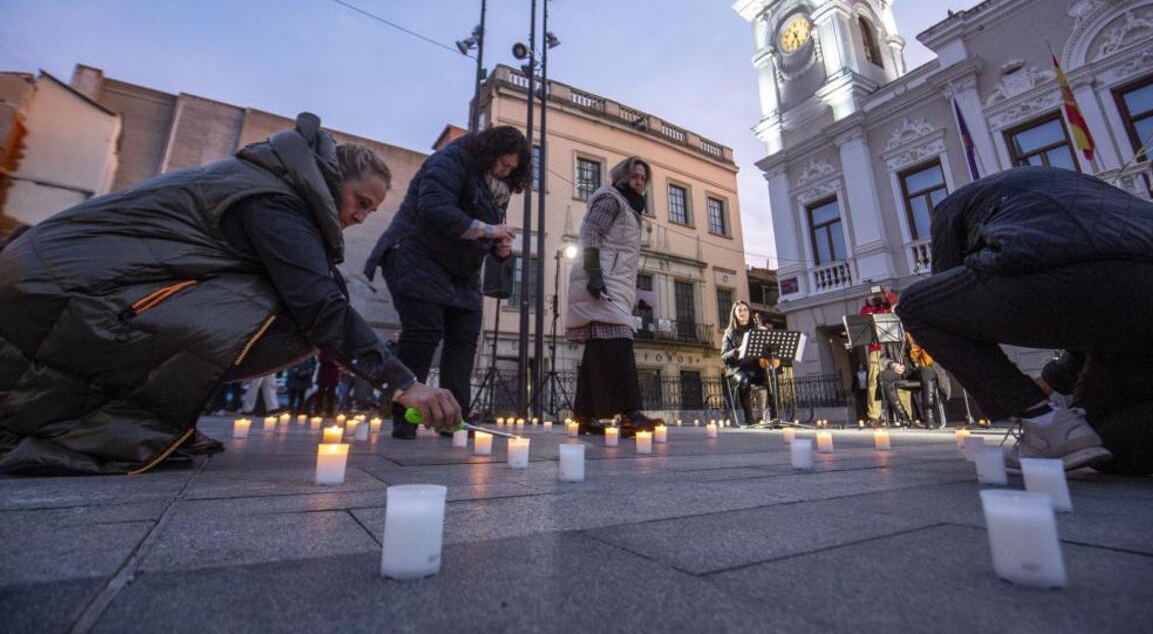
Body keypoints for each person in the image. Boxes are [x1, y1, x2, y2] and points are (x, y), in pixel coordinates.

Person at [0, 113, 459, 475]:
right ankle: (114, 422)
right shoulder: (273, 201)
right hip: (48, 293)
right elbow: (318, 303)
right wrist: (405, 384)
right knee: (295, 315)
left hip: (53, 285)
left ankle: (153, 417)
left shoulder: (269, 185)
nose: (362, 217)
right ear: (330, 178)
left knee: (298, 303)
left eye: (372, 211)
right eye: (360, 202)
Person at [896, 166, 1153, 473]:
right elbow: (1111, 304)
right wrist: (1053, 381)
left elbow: (947, 297)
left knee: (916, 305)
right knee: (1109, 443)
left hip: (1072, 267)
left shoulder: (951, 206)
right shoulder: (1074, 186)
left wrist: (1013, 392)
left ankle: (1045, 424)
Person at [365, 125, 528, 439]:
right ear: (489, 150)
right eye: (501, 163)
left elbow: (486, 230)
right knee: (423, 333)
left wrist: (501, 247)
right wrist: (488, 230)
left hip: (460, 270)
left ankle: (454, 419)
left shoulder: (497, 190)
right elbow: (434, 209)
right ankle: (405, 419)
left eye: (510, 169)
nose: (503, 171)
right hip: (415, 252)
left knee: (465, 337)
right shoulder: (453, 159)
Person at [566, 156, 662, 437]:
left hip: (615, 282)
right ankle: (630, 413)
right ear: (622, 176)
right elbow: (590, 233)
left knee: (599, 346)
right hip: (603, 280)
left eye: (644, 178)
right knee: (619, 340)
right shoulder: (611, 199)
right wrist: (595, 272)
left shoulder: (630, 207)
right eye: (635, 176)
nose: (640, 182)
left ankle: (583, 415)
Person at [721, 300, 775, 425]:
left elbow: (767, 351)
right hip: (737, 371)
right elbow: (724, 356)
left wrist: (767, 337)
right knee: (744, 380)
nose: (743, 312)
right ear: (734, 313)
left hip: (756, 369)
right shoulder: (729, 333)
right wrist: (736, 351)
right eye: (739, 310)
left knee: (772, 378)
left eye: (745, 310)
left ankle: (774, 417)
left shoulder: (756, 329)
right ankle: (749, 419)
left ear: (749, 312)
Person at [860, 286, 898, 427]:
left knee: (898, 378)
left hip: (892, 348)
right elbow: (863, 319)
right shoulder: (866, 310)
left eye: (877, 296)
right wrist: (870, 304)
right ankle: (874, 415)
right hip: (876, 349)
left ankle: (904, 412)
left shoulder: (886, 306)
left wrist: (885, 293)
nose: (875, 299)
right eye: (872, 296)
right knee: (874, 381)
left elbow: (893, 301)